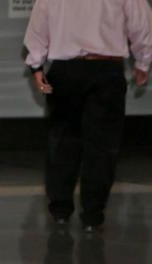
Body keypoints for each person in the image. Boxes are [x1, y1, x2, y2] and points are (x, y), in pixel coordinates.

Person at [24, 0, 152, 233]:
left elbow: (38, 24)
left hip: (65, 70)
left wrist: (36, 65)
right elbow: (141, 22)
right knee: (102, 146)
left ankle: (60, 210)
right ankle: (93, 216)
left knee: (62, 141)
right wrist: (143, 61)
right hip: (107, 70)